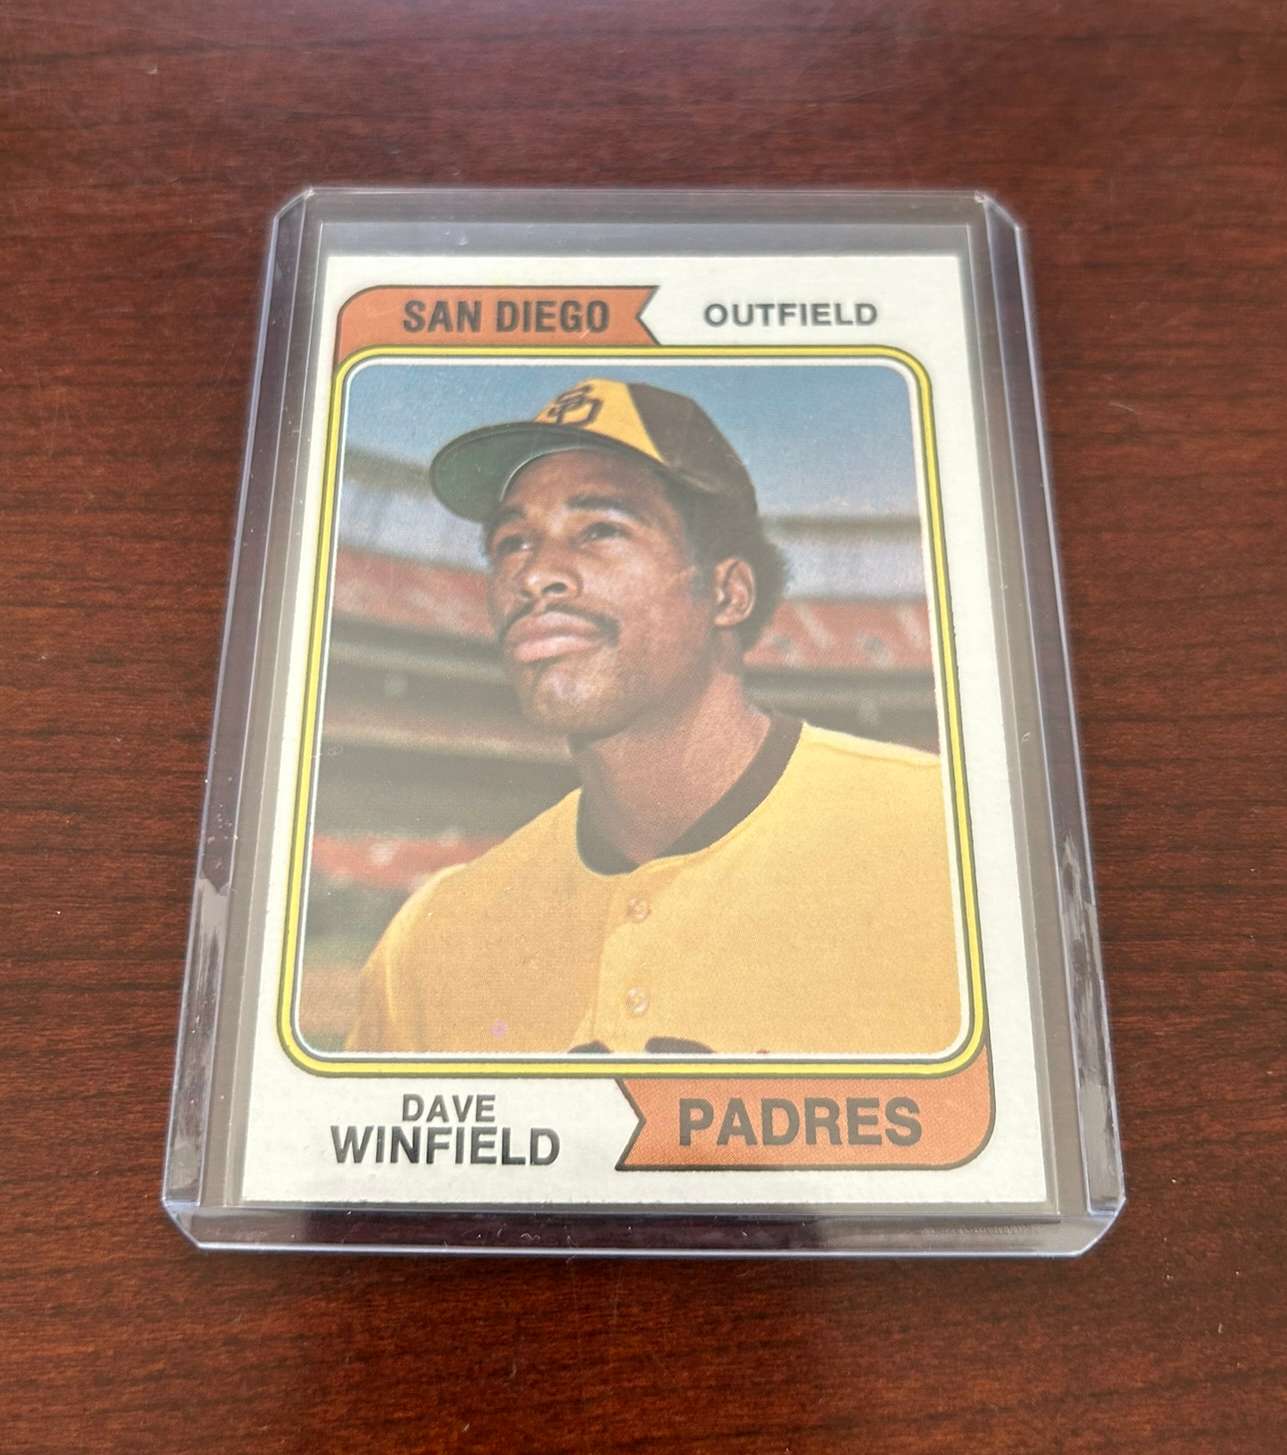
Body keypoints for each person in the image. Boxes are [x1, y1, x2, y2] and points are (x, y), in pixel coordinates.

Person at [345, 379, 961, 1057]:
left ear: (726, 593)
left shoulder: (948, 841)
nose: (534, 574)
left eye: (599, 530)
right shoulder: (433, 938)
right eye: (512, 542)